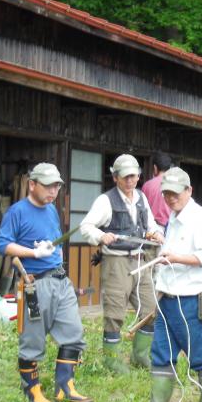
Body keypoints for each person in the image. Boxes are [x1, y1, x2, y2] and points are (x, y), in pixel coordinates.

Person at [126, 167, 202, 402]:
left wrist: (175, 258)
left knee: (199, 353)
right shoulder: (174, 217)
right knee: (161, 351)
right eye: (166, 193)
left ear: (189, 190)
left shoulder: (201, 219)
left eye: (175, 193)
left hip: (190, 297)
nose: (170, 198)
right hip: (167, 296)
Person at [0, 162, 92, 402]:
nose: (53, 192)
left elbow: (54, 239)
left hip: (60, 280)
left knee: (73, 332)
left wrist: (55, 253)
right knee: (33, 339)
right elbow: (3, 245)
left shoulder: (51, 210)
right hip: (34, 285)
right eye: (48, 186)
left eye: (57, 187)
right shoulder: (17, 212)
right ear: (32, 184)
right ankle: (33, 391)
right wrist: (32, 252)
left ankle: (65, 386)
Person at [80, 154, 161, 374]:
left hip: (141, 260)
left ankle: (140, 355)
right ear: (115, 177)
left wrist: (154, 234)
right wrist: (100, 236)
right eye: (125, 177)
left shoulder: (142, 198)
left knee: (151, 309)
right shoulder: (106, 201)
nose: (130, 181)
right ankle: (112, 361)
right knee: (115, 312)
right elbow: (85, 226)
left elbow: (151, 225)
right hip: (116, 262)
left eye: (134, 176)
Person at [141, 152, 172, 229]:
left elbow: (142, 209)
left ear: (155, 168)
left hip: (152, 228)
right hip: (171, 227)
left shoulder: (147, 185)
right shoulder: (175, 185)